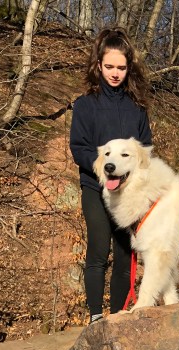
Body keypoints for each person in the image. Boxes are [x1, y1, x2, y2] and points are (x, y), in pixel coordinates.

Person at [69, 27, 153, 323]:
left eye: (121, 67)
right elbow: (78, 147)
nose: (115, 73)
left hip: (128, 193)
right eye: (109, 67)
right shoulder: (85, 105)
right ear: (98, 65)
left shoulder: (137, 108)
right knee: (98, 249)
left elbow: (146, 150)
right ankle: (95, 318)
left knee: (125, 254)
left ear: (129, 68)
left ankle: (118, 319)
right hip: (96, 187)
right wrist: (103, 169)